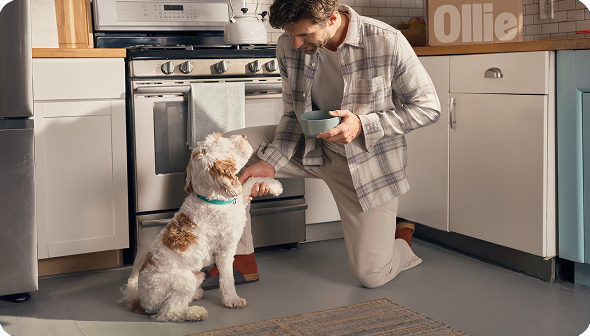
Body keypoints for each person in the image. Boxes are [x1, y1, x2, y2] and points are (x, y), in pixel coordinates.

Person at [203, 0, 441, 289]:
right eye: (290, 34)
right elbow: (293, 113)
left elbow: (428, 108)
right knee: (225, 150)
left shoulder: (386, 40)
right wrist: (269, 163)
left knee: (371, 275)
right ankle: (239, 259)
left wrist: (362, 125)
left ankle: (401, 240)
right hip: (310, 146)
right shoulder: (289, 44)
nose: (296, 42)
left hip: (366, 162)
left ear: (331, 19)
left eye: (304, 35)